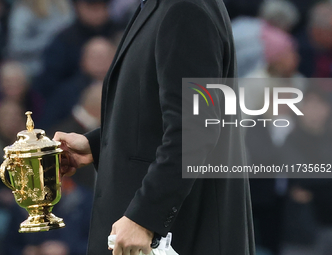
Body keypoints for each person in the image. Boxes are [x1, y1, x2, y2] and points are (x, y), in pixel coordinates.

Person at [54, 0, 255, 255]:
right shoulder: (160, 5)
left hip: (180, 237)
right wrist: (98, 144)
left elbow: (195, 131)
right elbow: (155, 115)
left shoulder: (186, 8)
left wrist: (145, 217)